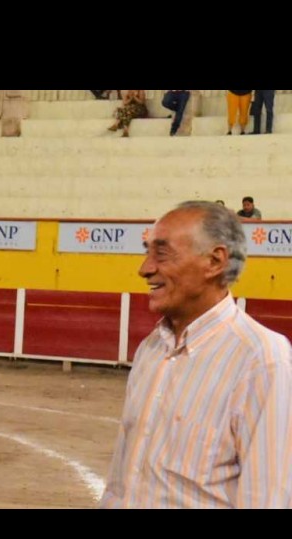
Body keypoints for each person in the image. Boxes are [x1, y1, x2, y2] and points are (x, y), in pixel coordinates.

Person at [101, 201, 292, 508]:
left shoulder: (261, 359)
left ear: (214, 262)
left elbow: (268, 498)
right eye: (147, 252)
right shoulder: (151, 348)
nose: (145, 268)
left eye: (162, 253)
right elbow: (120, 484)